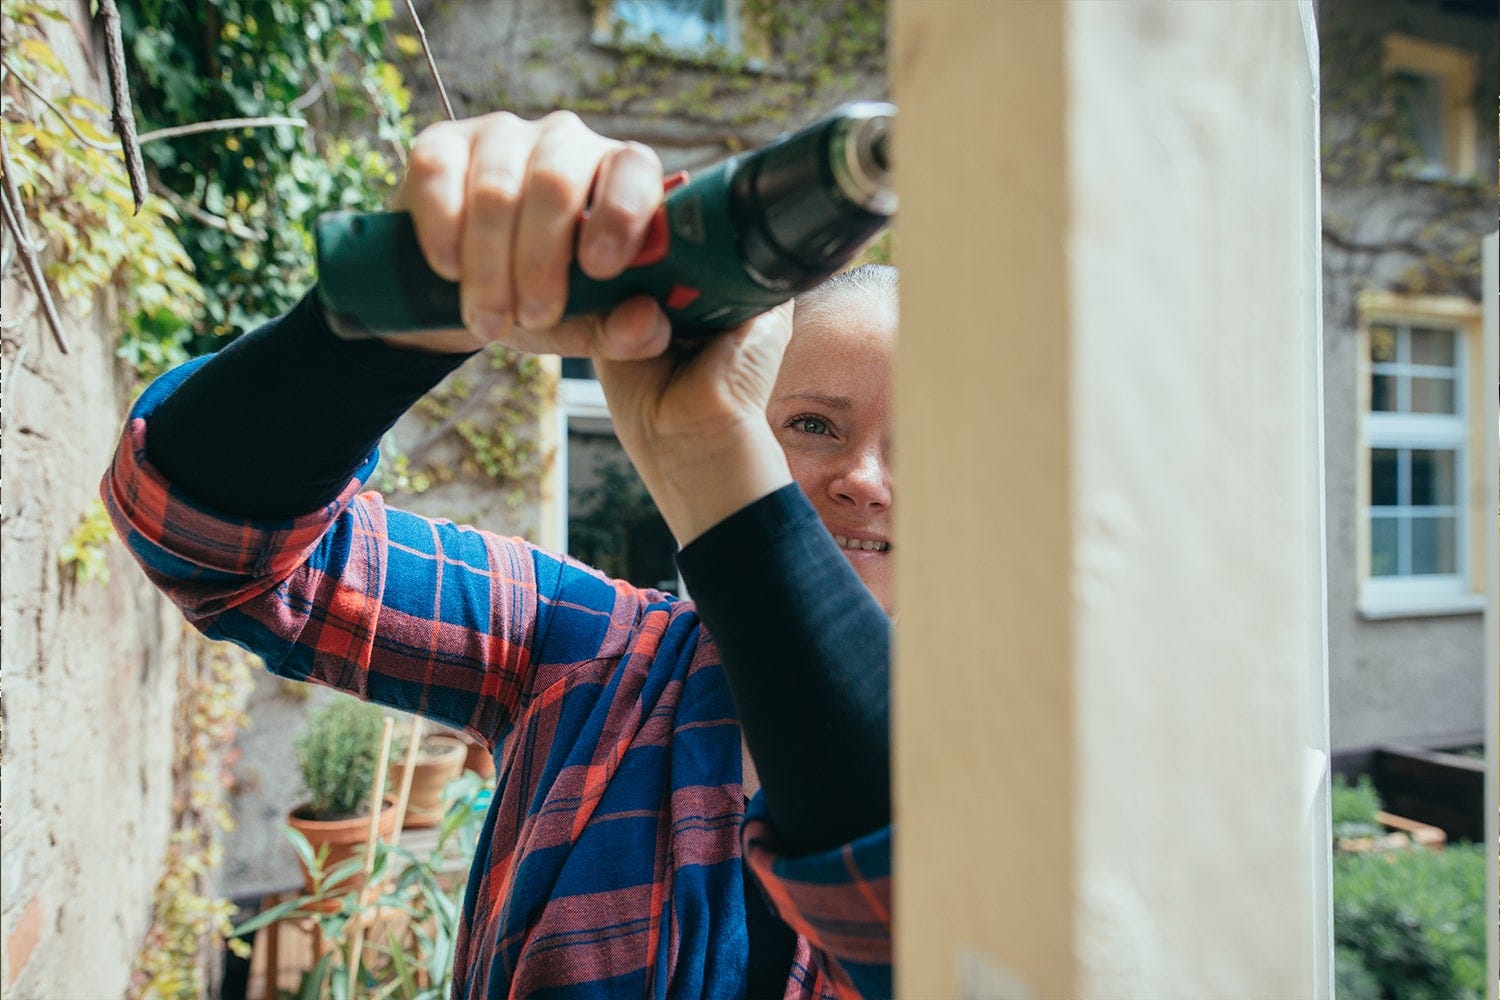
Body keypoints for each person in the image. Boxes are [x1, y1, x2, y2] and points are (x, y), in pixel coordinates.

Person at [102, 110, 893, 999]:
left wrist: (724, 478)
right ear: (754, 414)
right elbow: (200, 532)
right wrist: (409, 314)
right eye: (814, 424)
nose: (865, 479)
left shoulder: (1027, 770)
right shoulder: (587, 646)